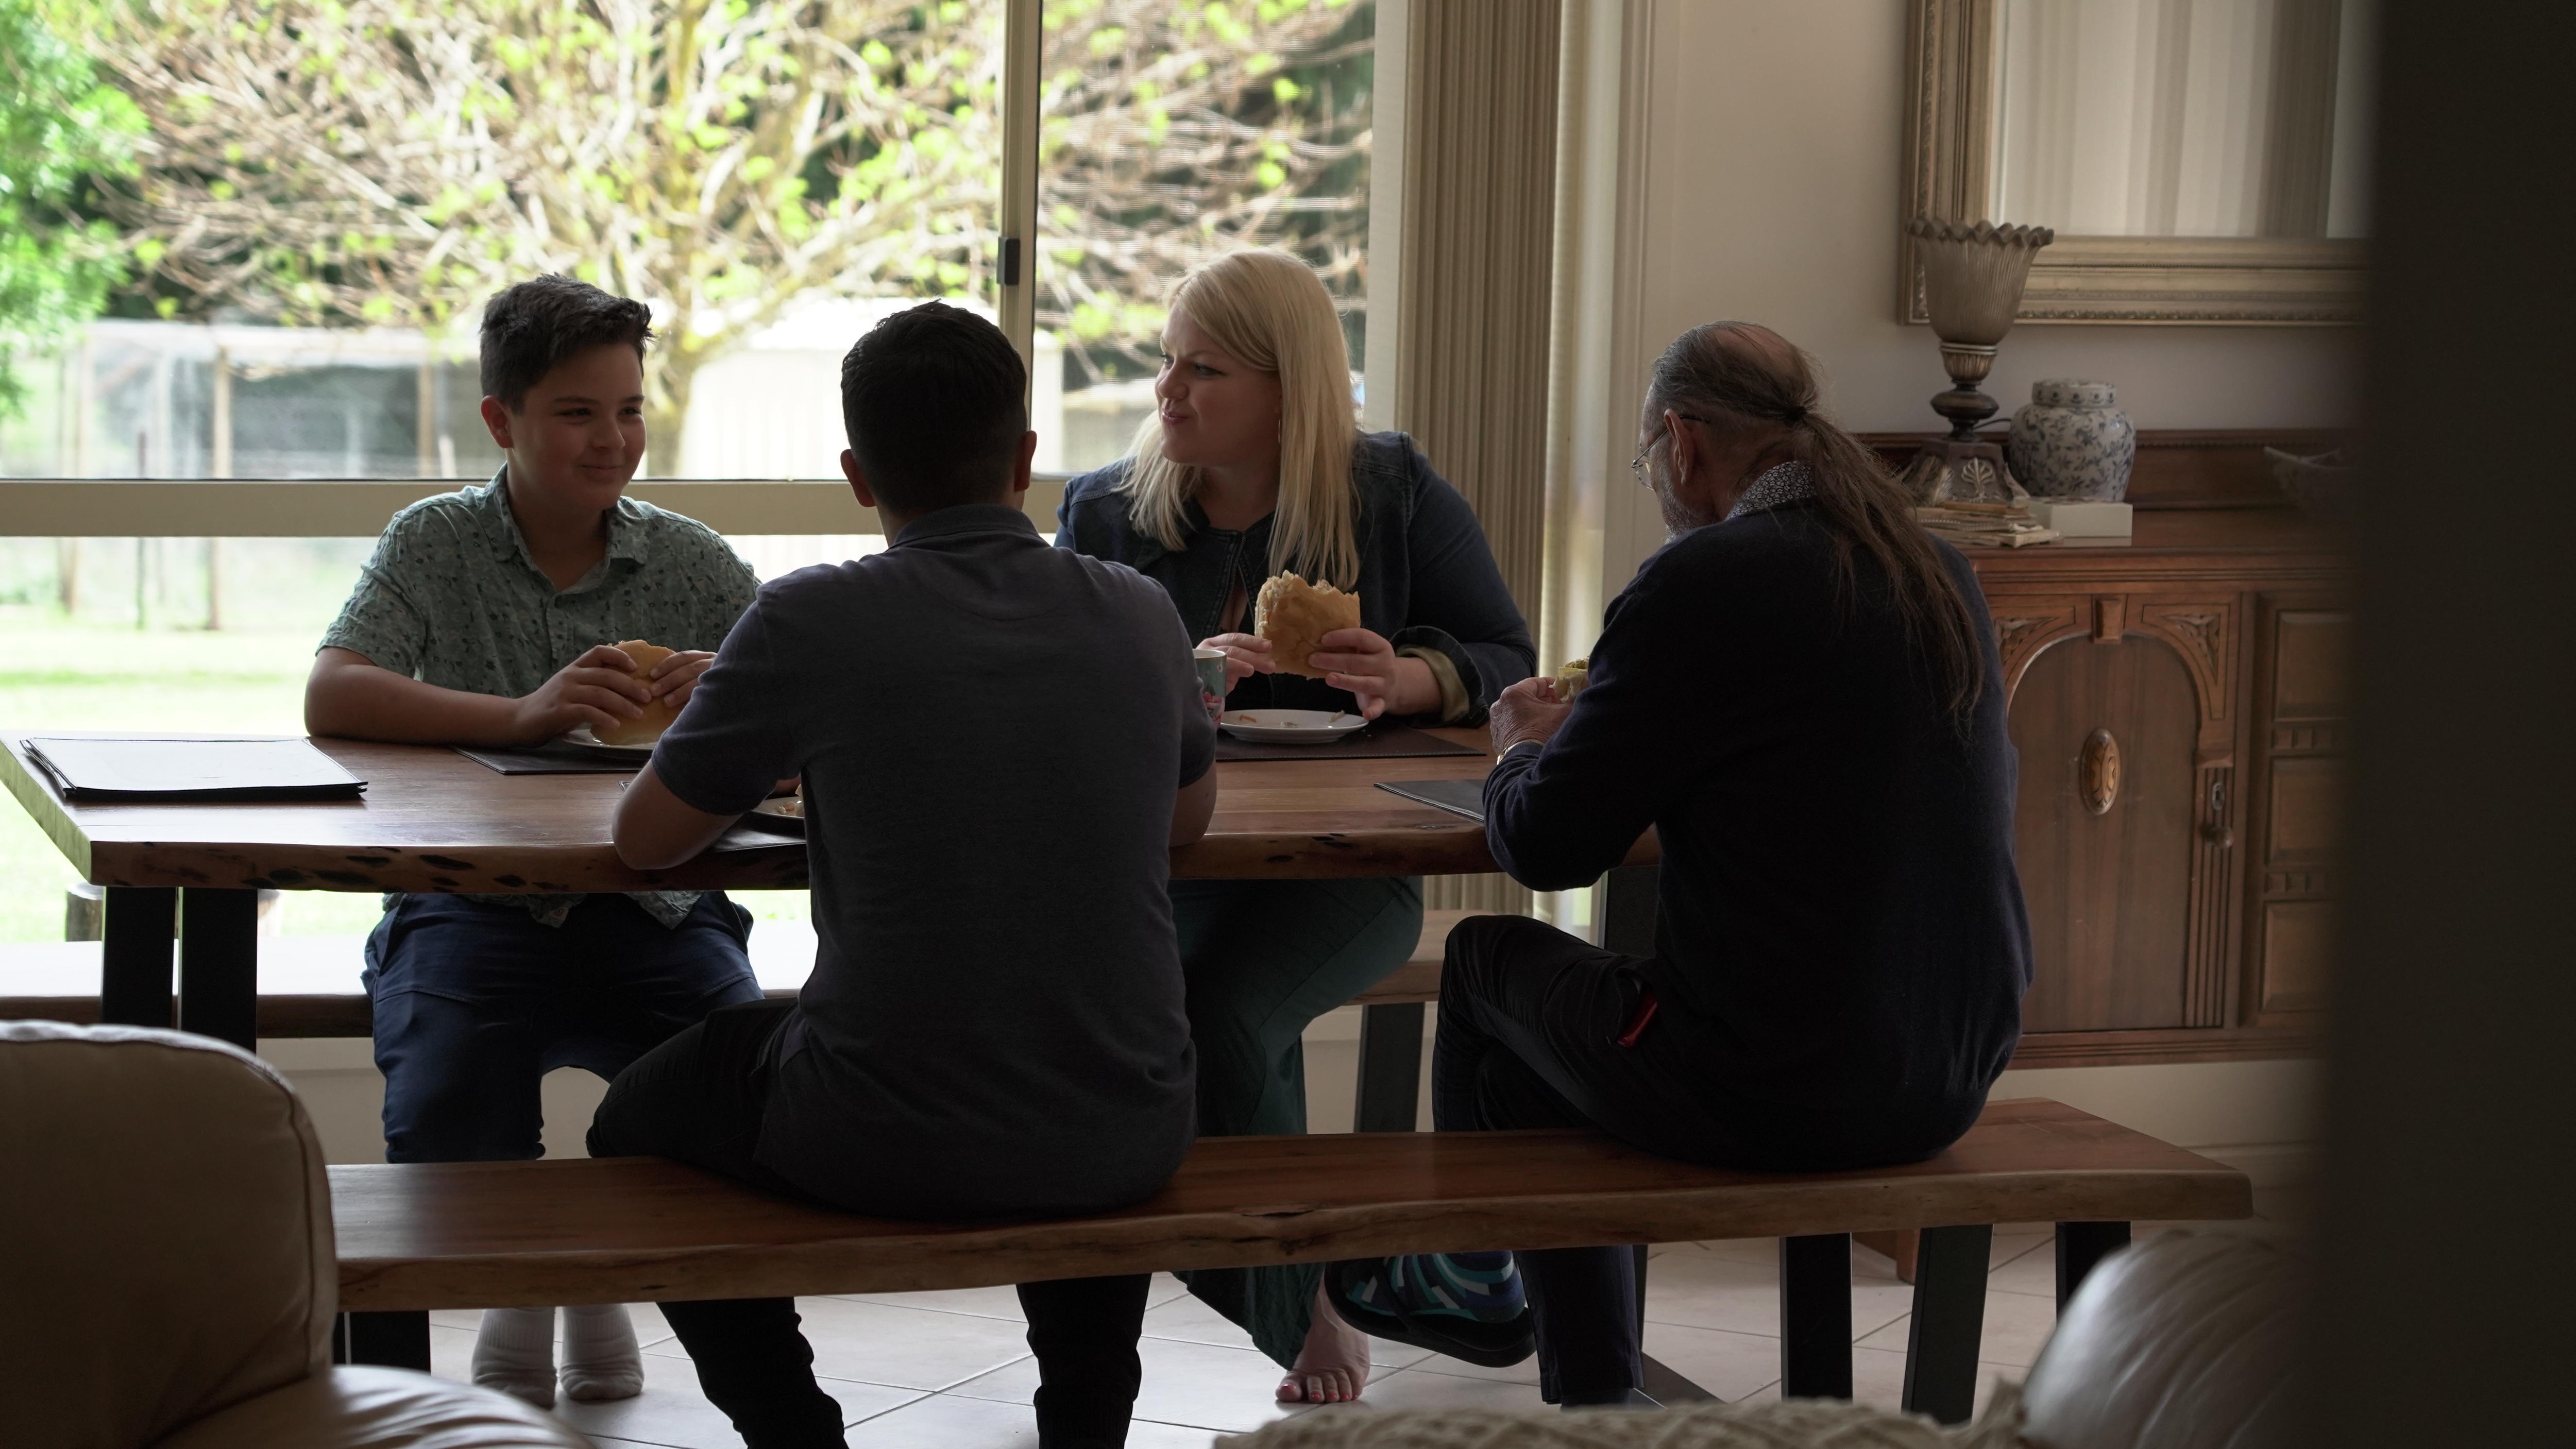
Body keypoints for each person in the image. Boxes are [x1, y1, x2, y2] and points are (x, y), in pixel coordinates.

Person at [1331, 322, 2031, 1405]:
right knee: (1533, 1059)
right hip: (1952, 1066)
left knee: (1480, 964)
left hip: (1779, 1082)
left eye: (1646, 459)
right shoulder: (1930, 566)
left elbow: (1549, 848)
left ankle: (1492, 1304)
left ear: (1681, 440)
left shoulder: (1707, 577)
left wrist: (1521, 741)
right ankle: (1576, 1377)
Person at [592, 301, 1216, 1449]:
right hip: (1134, 1120)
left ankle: (797, 1434)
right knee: (1060, 1054)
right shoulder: (1140, 614)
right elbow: (1185, 826)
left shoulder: (810, 619)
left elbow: (648, 840)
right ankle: (1084, 1426)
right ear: (1026, 460)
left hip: (877, 1129)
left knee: (635, 1114)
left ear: (855, 477)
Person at [1056, 248, 1536, 1404]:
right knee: (1118, 1022)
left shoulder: (1391, 494)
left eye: (1204, 369)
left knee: (1222, 1015)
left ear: (1288, 389)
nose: (1168, 390)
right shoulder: (1107, 513)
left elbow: (1506, 658)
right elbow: (1053, 687)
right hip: (1170, 859)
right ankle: (1194, 1293)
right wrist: (1172, 668)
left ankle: (1305, 1303)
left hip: (1345, 866)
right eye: (1167, 361)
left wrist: (1410, 679)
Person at [305, 275, 766, 1408]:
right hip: (468, 903)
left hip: (658, 903)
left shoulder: (695, 561)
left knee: (736, 1096)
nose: (613, 440)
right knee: (448, 1108)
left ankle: (622, 1288)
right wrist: (521, 715)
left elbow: (803, 716)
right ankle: (487, 1325)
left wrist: (737, 700)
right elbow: (334, 691)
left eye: (628, 410)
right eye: (576, 413)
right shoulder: (438, 543)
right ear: (501, 423)